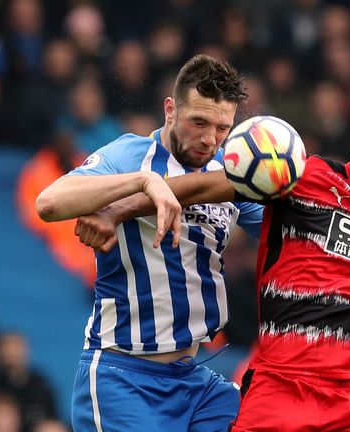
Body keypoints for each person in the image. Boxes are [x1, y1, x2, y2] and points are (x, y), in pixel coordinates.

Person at [74, 97, 350, 431]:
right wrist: (116, 211)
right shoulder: (304, 177)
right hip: (280, 392)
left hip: (348, 400)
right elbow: (200, 187)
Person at [35, 54, 262, 431]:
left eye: (222, 128)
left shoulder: (228, 174)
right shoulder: (129, 155)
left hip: (196, 382)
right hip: (122, 379)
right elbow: (49, 202)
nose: (209, 138)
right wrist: (143, 183)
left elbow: (286, 232)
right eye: (199, 122)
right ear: (170, 110)